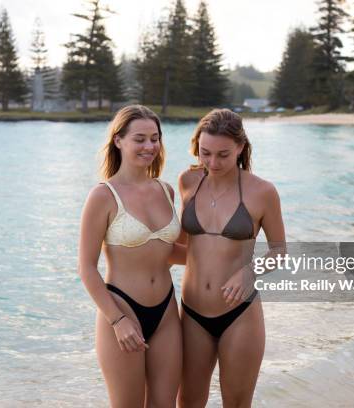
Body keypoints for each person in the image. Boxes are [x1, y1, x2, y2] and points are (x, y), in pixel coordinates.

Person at [177, 109, 286, 407]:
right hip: (192, 312)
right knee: (187, 402)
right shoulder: (188, 181)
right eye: (205, 153)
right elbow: (180, 248)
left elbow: (279, 250)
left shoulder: (262, 191)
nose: (213, 163)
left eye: (223, 155)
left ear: (240, 147)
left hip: (240, 314)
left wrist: (249, 272)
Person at [78, 105, 184, 407]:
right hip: (122, 309)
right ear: (118, 140)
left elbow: (167, 251)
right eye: (140, 139)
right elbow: (86, 267)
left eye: (155, 138)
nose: (149, 146)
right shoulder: (103, 195)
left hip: (166, 312)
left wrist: (227, 255)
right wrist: (118, 320)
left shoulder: (166, 191)